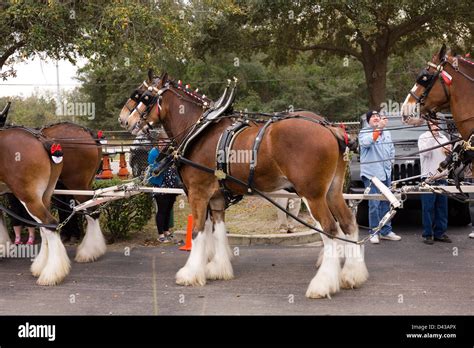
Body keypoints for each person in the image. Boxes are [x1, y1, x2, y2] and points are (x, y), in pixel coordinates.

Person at [359, 110, 401, 244]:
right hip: (372, 174)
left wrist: (391, 162)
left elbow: (391, 149)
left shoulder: (387, 132)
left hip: (386, 172)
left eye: (378, 116)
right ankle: (374, 232)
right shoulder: (364, 132)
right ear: (368, 120)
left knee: (386, 203)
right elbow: (367, 143)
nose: (376, 118)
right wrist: (379, 128)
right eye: (373, 117)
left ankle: (386, 231)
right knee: (374, 204)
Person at [418, 121, 452, 244]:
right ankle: (427, 234)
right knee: (428, 207)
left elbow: (449, 156)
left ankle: (440, 233)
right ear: (428, 125)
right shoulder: (423, 137)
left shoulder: (444, 137)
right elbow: (425, 153)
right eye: (432, 124)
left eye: (437, 124)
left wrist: (449, 151)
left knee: (442, 207)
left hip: (442, 177)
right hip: (428, 178)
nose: (435, 127)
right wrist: (432, 137)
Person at [148, 143, 181, 243]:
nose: (163, 145)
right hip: (160, 185)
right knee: (162, 209)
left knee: (168, 209)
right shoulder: (154, 153)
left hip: (171, 184)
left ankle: (166, 231)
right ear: (157, 143)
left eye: (165, 142)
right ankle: (160, 234)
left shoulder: (170, 151)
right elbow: (153, 168)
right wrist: (163, 164)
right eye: (161, 142)